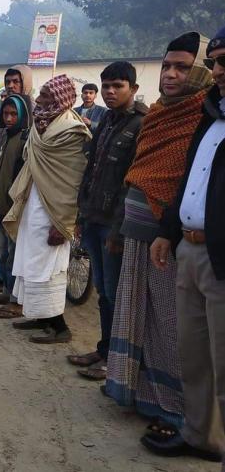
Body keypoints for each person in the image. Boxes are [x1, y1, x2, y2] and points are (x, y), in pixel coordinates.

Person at [105, 31, 214, 448]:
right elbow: (139, 171)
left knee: (171, 324)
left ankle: (175, 407)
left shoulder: (203, 118)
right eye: (167, 65)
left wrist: (167, 231)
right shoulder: (157, 115)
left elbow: (185, 183)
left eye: (182, 67)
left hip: (170, 238)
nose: (170, 74)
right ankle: (140, 392)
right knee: (137, 316)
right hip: (136, 233)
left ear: (202, 71)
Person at [146, 26, 225, 462]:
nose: (217, 70)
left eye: (224, 61)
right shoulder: (210, 117)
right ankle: (202, 437)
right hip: (190, 251)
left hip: (220, 257)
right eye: (214, 62)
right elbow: (189, 183)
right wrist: (167, 231)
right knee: (195, 356)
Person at [68, 61, 147, 380]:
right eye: (106, 86)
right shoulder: (107, 121)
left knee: (115, 294)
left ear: (133, 89)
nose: (111, 92)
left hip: (116, 226)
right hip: (93, 218)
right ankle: (103, 349)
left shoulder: (140, 124)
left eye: (118, 86)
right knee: (103, 290)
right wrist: (80, 215)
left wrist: (118, 230)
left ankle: (116, 361)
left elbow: (131, 183)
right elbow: (92, 171)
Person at [3, 74, 91, 343]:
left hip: (55, 212)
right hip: (34, 205)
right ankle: (40, 317)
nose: (40, 100)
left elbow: (72, 181)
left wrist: (62, 223)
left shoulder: (72, 130)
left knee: (49, 269)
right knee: (30, 262)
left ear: (61, 100)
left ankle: (59, 327)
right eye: (40, 95)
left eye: (46, 97)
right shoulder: (41, 125)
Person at [0, 65, 34, 318]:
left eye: (14, 114)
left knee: (14, 254)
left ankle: (15, 300)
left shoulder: (25, 139)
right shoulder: (3, 135)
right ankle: (4, 288)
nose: (9, 118)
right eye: (6, 114)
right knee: (2, 251)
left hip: (15, 205)